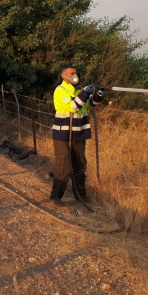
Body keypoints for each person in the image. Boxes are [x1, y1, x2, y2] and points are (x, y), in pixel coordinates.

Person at [50, 64, 105, 204]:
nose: (75, 75)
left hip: (79, 134)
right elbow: (73, 107)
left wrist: (99, 96)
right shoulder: (60, 90)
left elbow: (89, 104)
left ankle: (81, 196)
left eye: (76, 72)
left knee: (80, 165)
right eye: (72, 73)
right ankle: (56, 197)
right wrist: (85, 93)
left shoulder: (79, 90)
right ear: (64, 76)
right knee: (63, 166)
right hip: (63, 135)